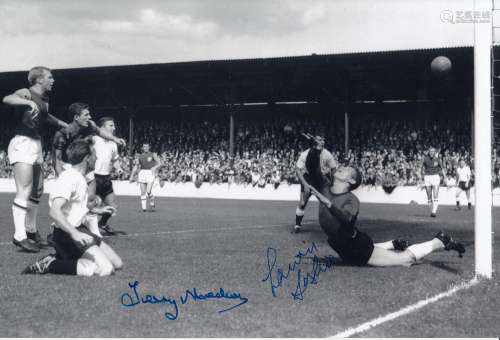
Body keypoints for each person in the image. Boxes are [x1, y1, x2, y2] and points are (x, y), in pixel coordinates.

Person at [307, 164, 465, 267]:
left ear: (351, 180)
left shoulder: (351, 200)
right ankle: (394, 243)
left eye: (346, 169)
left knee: (405, 260)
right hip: (344, 246)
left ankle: (439, 241)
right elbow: (311, 167)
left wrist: (329, 204)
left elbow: (347, 219)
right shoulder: (327, 188)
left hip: (357, 247)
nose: (341, 167)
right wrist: (315, 150)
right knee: (361, 258)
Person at [22, 139, 123, 276]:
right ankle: (50, 264)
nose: (97, 158)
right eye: (94, 155)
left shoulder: (79, 178)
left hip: (81, 230)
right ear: (87, 158)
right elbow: (55, 211)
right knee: (105, 269)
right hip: (66, 234)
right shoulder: (69, 178)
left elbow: (73, 207)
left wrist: (97, 210)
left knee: (117, 264)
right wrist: (75, 234)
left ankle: (63, 257)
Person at [2, 66, 68, 253]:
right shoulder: (26, 92)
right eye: (50, 77)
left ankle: (31, 232)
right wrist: (27, 103)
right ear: (39, 80)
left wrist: (65, 125)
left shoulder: (45, 101)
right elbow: (7, 99)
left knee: (37, 190)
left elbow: (48, 118)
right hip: (22, 142)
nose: (53, 80)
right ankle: (19, 235)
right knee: (24, 189)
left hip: (36, 143)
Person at [50, 103, 126, 238]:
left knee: (90, 197)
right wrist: (62, 176)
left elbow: (99, 131)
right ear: (76, 117)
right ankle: (57, 231)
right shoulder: (62, 134)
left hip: (85, 166)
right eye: (86, 115)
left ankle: (94, 231)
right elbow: (57, 159)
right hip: (69, 167)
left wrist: (115, 139)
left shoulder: (89, 125)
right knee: (66, 202)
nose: (90, 117)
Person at [294, 133, 337, 233]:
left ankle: (332, 225)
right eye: (320, 140)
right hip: (308, 178)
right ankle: (297, 224)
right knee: (303, 202)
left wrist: (333, 182)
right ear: (314, 143)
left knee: (326, 202)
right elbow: (298, 170)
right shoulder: (305, 154)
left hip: (320, 179)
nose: (322, 142)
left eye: (323, 140)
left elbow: (333, 168)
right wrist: (305, 184)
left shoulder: (327, 154)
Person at [93, 117, 127, 235]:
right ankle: (83, 228)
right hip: (93, 177)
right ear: (102, 128)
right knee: (90, 205)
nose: (114, 128)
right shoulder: (93, 140)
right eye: (111, 125)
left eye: (114, 125)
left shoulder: (113, 143)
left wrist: (119, 169)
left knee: (112, 207)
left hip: (106, 178)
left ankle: (102, 223)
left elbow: (115, 160)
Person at [129, 143, 161, 212]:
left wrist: (154, 167)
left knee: (148, 191)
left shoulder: (153, 154)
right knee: (143, 192)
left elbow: (160, 163)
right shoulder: (139, 156)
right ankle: (144, 208)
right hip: (142, 173)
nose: (145, 148)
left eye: (147, 146)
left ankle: (152, 201)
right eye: (144, 147)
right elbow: (136, 166)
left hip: (150, 173)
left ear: (149, 147)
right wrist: (132, 176)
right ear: (142, 148)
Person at [422, 147, 445, 218]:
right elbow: (422, 168)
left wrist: (445, 177)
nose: (431, 152)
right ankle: (432, 211)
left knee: (435, 195)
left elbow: (442, 169)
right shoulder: (425, 159)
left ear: (435, 152)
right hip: (427, 177)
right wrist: (421, 178)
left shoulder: (438, 160)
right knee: (429, 197)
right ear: (428, 152)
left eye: (433, 151)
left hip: (435, 177)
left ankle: (434, 212)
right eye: (430, 151)